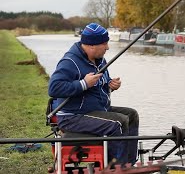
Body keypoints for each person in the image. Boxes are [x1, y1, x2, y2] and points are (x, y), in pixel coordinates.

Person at [48, 23, 139, 165]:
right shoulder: (70, 62)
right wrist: (83, 84)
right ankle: (116, 167)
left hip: (96, 110)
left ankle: (129, 163)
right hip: (73, 116)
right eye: (104, 44)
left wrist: (110, 84)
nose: (107, 48)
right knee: (118, 123)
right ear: (91, 45)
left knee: (132, 115)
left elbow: (101, 82)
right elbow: (54, 88)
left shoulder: (100, 60)